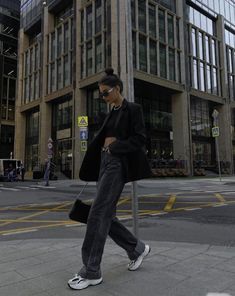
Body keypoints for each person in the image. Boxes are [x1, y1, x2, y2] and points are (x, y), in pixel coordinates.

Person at [67, 68, 152, 290]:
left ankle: (91, 271)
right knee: (107, 215)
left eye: (106, 93)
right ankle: (137, 249)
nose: (103, 97)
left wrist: (114, 146)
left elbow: (140, 139)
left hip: (117, 164)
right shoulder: (111, 112)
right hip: (104, 164)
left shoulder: (133, 109)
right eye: (101, 94)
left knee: (97, 213)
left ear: (118, 89)